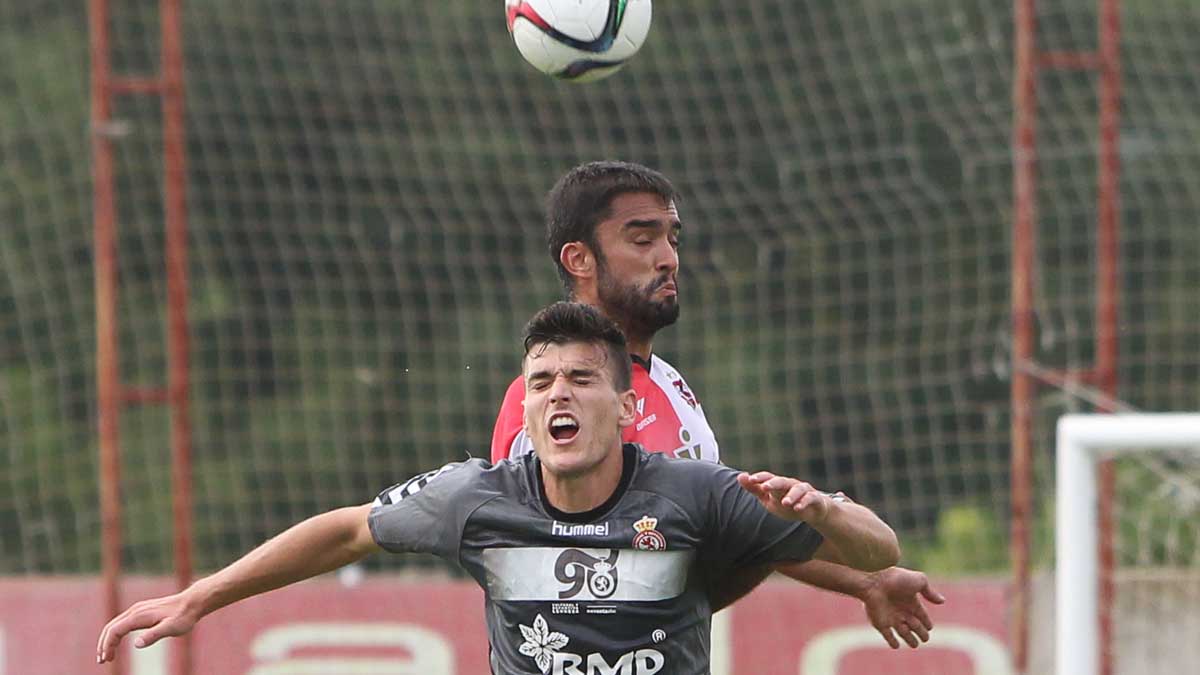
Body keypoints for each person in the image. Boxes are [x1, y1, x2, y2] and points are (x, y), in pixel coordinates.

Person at [97, 302, 901, 674]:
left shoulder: (697, 494)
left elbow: (878, 546)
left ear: (625, 407)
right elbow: (344, 531)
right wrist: (201, 594)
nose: (558, 393)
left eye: (582, 379)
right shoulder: (475, 498)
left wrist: (827, 509)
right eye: (542, 379)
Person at [492, 160, 944, 649]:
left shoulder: (667, 382)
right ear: (579, 260)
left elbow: (723, 525)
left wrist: (864, 581)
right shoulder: (551, 404)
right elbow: (553, 580)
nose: (668, 259)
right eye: (643, 241)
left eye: (673, 239)